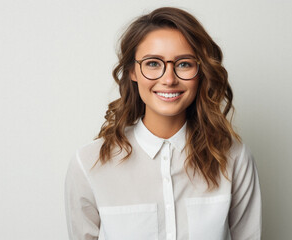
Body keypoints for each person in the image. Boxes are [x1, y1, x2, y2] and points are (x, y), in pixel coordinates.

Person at [65, 7, 262, 240]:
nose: (169, 79)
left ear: (201, 72)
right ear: (132, 72)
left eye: (184, 64)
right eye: (153, 64)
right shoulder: (89, 164)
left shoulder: (234, 158)